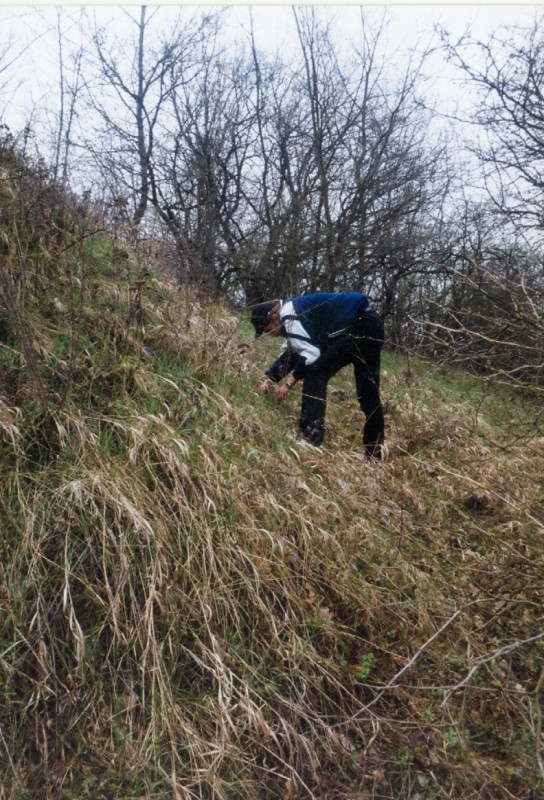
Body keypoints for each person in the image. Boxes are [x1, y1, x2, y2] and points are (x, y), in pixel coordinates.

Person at [251, 292, 385, 458]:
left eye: (267, 329)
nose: (270, 334)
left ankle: (311, 440)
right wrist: (269, 379)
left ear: (273, 316)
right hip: (371, 324)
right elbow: (293, 352)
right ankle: (373, 457)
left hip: (359, 326)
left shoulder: (289, 314)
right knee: (368, 396)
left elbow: (311, 353)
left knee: (315, 374)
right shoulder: (292, 312)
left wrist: (288, 384)